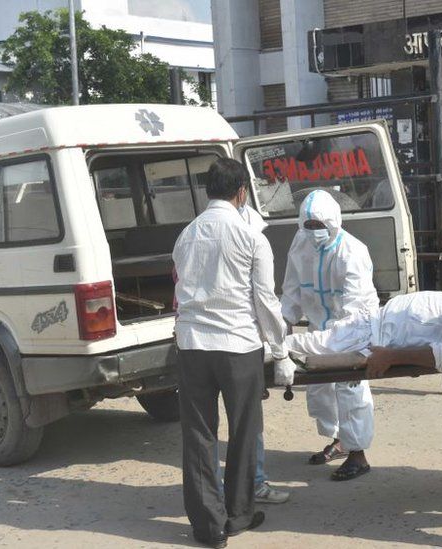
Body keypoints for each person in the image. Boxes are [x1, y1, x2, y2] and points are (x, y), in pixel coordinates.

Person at [172, 158, 296, 548]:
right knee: (244, 432)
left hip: (192, 347)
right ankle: (239, 515)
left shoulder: (185, 236)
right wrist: (281, 352)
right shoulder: (251, 237)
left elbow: (180, 293)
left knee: (198, 437)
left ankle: (209, 528)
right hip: (238, 347)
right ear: (242, 192)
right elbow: (265, 300)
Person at [280, 190, 380, 481]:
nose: (313, 232)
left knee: (351, 390)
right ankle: (340, 440)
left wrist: (332, 342)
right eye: (308, 226)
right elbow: (292, 291)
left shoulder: (352, 252)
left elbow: (354, 310)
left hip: (351, 331)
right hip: (318, 328)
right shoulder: (300, 244)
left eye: (318, 226)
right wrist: (282, 325)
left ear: (334, 223)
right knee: (321, 390)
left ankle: (358, 455)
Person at [285, 291, 442, 379]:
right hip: (378, 321)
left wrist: (391, 356)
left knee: (310, 346)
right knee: (311, 343)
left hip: (377, 336)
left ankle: (268, 351)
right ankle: (269, 349)